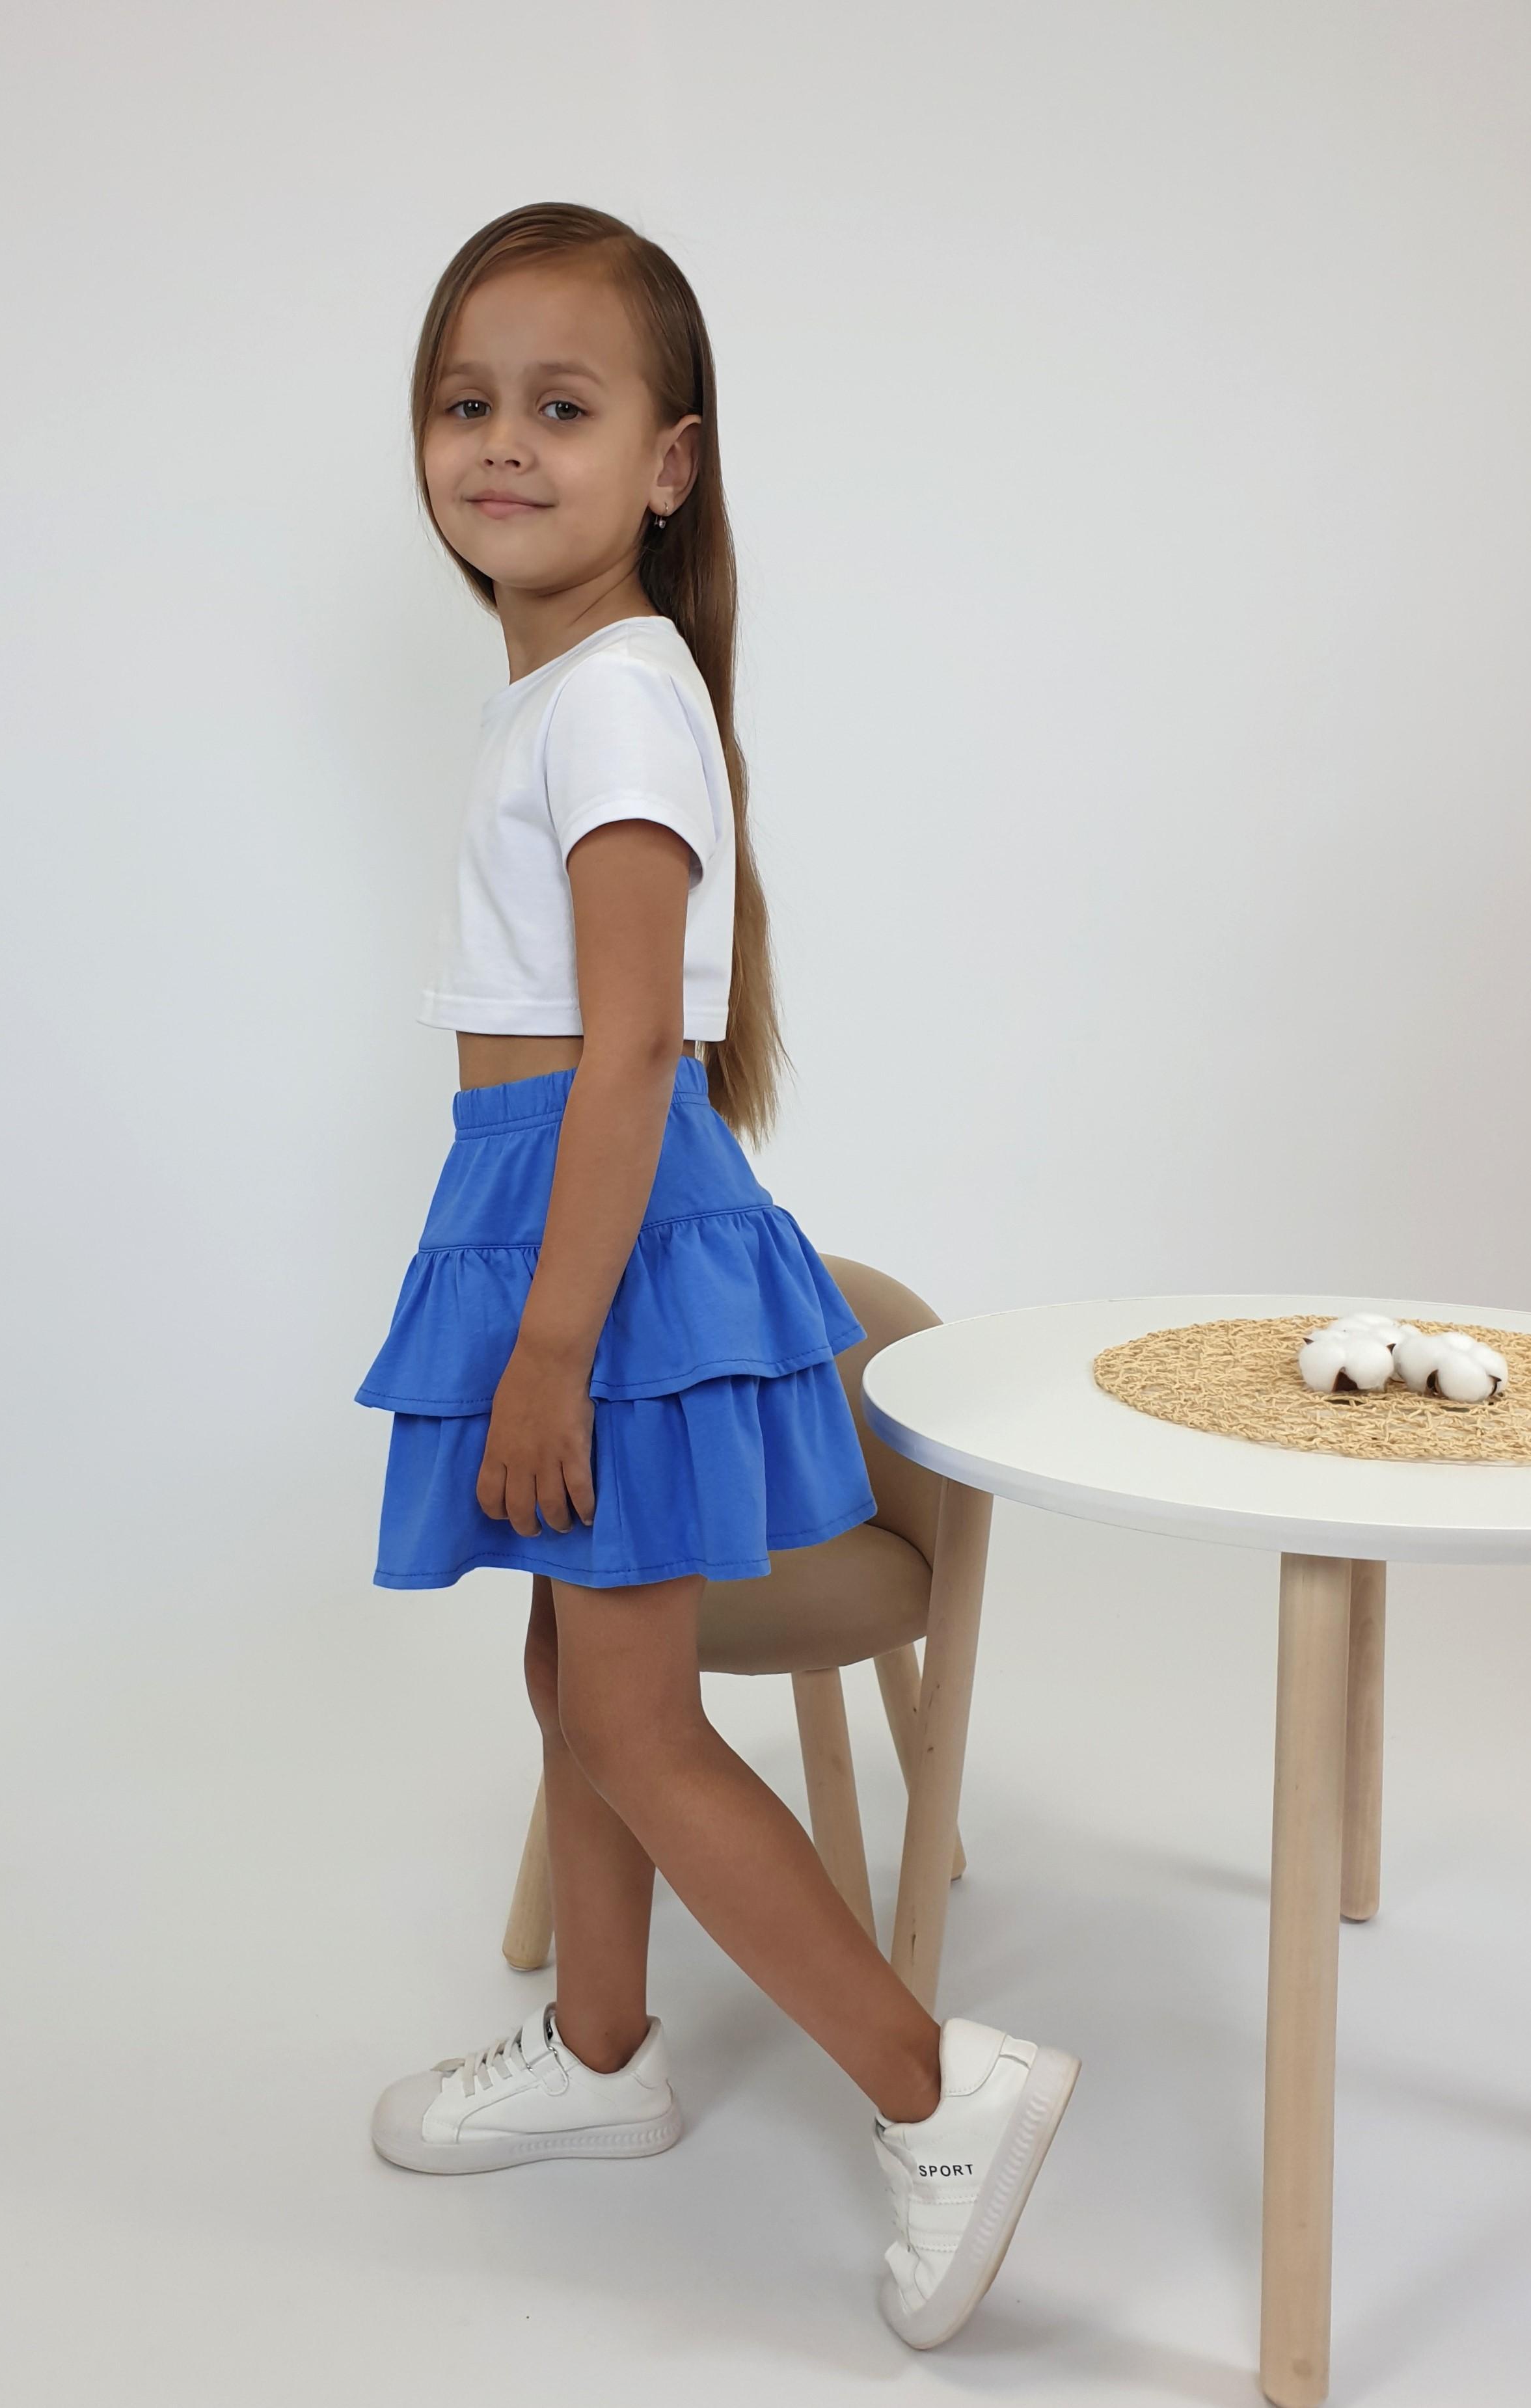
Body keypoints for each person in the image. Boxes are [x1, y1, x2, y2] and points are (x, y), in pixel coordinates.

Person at [355, 200, 1078, 2349]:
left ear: (669, 464)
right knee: (573, 1678)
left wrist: (553, 1345)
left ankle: (938, 2093)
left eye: (562, 407)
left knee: (639, 1720)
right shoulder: (578, 694)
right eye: (466, 402)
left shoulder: (615, 707)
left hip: (598, 1237)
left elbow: (628, 1056)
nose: (503, 442)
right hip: (557, 1211)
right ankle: (603, 2055)